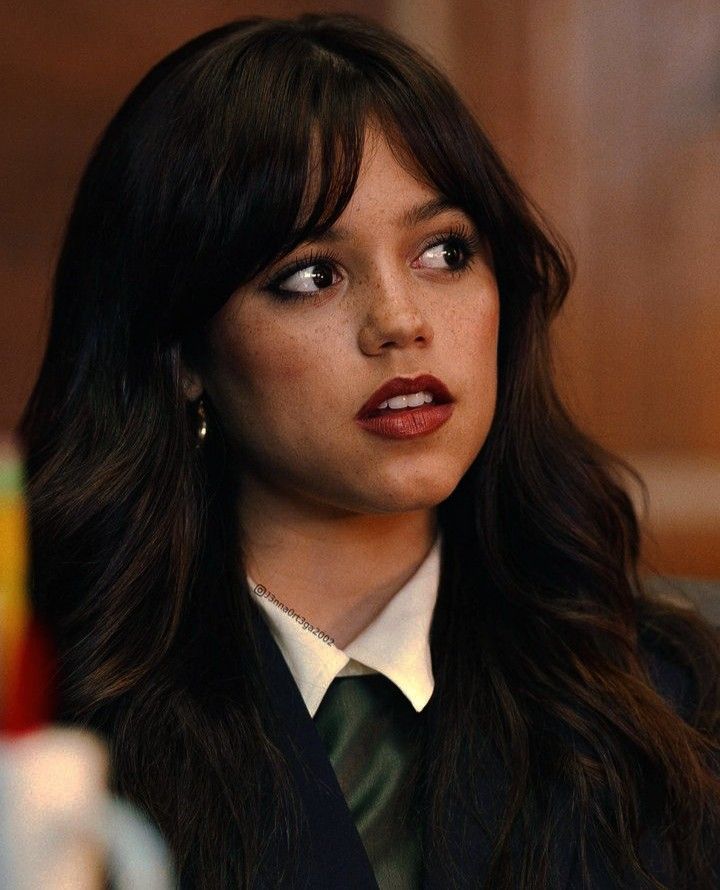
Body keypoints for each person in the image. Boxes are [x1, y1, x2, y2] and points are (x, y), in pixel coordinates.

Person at [17, 12, 720, 890]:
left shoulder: (684, 691)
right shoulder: (44, 730)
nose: (400, 321)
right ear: (184, 355)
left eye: (444, 251)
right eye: (312, 274)